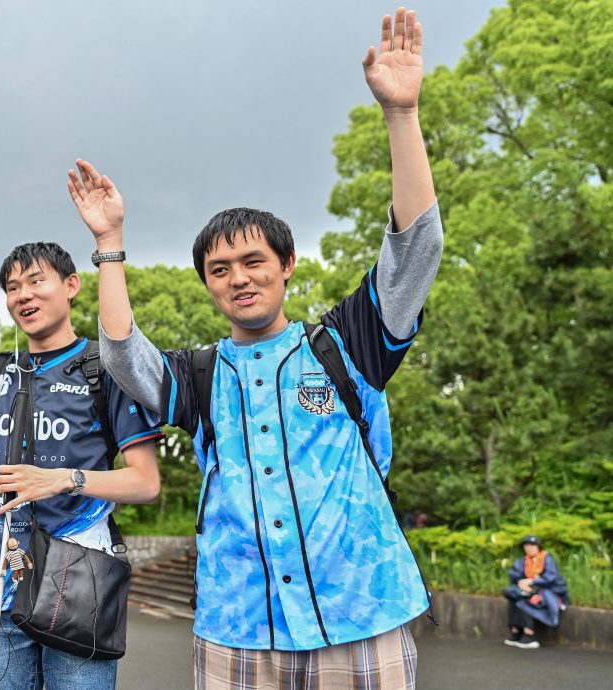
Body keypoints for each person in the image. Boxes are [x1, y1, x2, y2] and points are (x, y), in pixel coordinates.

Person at [69, 7, 442, 688]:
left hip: (360, 613)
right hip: (238, 625)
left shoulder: (346, 343)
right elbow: (122, 357)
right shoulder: (200, 374)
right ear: (207, 285)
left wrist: (401, 114)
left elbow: (415, 249)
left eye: (251, 261)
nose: (238, 278)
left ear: (287, 263)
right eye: (219, 269)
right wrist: (108, 245)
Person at [0, 242, 164, 690]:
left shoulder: (103, 370)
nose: (22, 295)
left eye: (35, 281)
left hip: (78, 584)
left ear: (71, 286)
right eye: (11, 287)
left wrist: (62, 480)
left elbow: (145, 482)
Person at [503, 535, 570, 649]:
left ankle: (529, 633)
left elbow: (551, 578)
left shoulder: (546, 559)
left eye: (532, 545)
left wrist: (533, 582)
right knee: (514, 597)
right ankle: (516, 631)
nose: (529, 548)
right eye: (527, 546)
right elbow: (514, 575)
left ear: (538, 547)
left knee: (526, 599)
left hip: (548, 591)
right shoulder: (524, 561)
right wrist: (521, 583)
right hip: (530, 589)